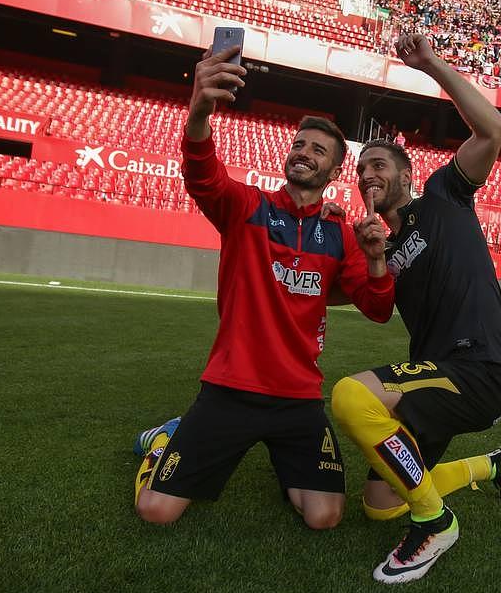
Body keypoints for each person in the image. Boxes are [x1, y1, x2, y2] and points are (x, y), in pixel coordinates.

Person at [131, 45, 396, 531]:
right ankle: (165, 440)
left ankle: (285, 462)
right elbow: (202, 174)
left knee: (324, 517)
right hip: (230, 388)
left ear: (334, 172)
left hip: (297, 397)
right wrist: (199, 112)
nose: (304, 153)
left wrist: (377, 258)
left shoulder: (342, 234)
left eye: (318, 150)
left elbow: (378, 308)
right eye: (300, 144)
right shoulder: (247, 207)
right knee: (156, 512)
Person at [331, 33, 501, 584]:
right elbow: (365, 303)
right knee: (381, 504)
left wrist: (431, 64)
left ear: (406, 176)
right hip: (433, 377)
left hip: (478, 368)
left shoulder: (444, 195)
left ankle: (436, 523)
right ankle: (499, 463)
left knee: (349, 396)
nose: (367, 175)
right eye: (361, 170)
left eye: (378, 165)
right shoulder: (380, 247)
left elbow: (493, 130)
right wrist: (365, 256)